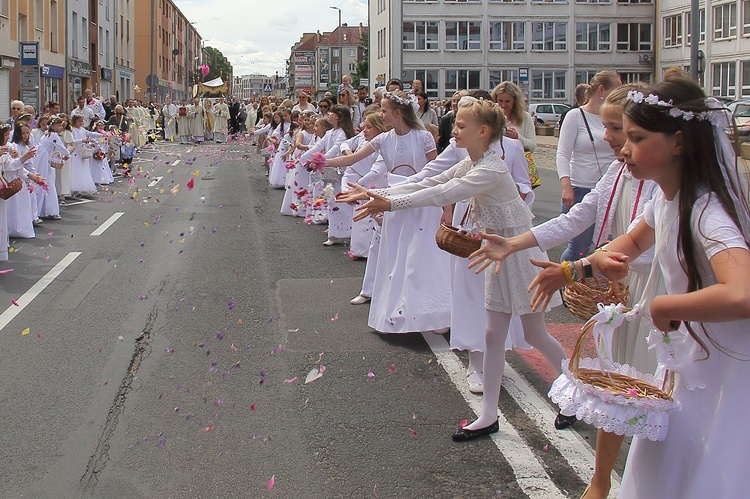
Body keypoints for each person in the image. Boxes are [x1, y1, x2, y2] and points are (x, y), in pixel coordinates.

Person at [469, 84, 661, 498]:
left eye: (615, 127)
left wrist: (579, 267)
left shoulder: (663, 184)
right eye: (606, 125)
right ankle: (600, 482)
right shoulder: (618, 171)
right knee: (619, 389)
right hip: (624, 290)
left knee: (649, 394)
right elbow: (575, 220)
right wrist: (516, 243)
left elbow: (648, 250)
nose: (605, 135)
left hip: (654, 294)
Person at [337, 100, 567, 441]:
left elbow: (444, 192)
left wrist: (390, 202)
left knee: (535, 334)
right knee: (491, 334)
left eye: (460, 126)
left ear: (483, 132)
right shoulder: (473, 161)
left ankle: (575, 389)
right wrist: (376, 192)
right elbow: (427, 180)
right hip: (494, 253)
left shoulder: (491, 169)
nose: (453, 130)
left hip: (518, 254)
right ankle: (489, 415)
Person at [583, 77, 750, 499]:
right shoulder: (665, 199)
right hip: (687, 362)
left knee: (698, 470)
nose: (623, 148)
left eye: (636, 138)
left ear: (678, 142)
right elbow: (631, 242)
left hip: (720, 370)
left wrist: (664, 305)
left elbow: (742, 294)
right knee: (660, 467)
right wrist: (596, 261)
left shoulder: (707, 213)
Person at [327, 90, 452, 334]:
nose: (380, 113)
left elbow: (437, 173)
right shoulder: (383, 140)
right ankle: (395, 312)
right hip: (393, 202)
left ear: (397, 113)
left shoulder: (423, 137)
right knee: (395, 257)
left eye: (384, 110)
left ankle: (436, 314)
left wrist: (446, 207)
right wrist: (322, 161)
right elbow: (351, 159)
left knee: (421, 257)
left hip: (422, 203)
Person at [556, 70, 621, 261]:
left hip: (610, 188)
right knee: (579, 248)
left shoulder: (613, 116)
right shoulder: (575, 116)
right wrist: (566, 186)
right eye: (616, 90)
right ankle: (566, 285)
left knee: (606, 248)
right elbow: (563, 153)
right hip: (581, 186)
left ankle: (592, 289)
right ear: (602, 90)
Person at [34, 116, 70, 220]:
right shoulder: (53, 135)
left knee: (48, 182)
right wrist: (67, 154)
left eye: (61, 125)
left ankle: (47, 209)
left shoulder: (47, 134)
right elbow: (61, 147)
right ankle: (48, 210)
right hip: (43, 160)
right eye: (58, 125)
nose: (60, 127)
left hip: (42, 158)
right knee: (46, 182)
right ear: (53, 126)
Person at [492, 81, 537, 153]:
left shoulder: (525, 117)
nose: (503, 105)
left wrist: (517, 137)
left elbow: (532, 147)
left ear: (515, 101)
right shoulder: (489, 116)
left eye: (507, 101)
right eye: (500, 101)